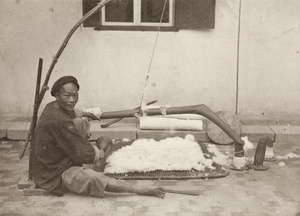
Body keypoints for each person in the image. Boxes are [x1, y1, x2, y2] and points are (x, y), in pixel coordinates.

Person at [33, 75, 165, 199]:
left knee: (80, 122)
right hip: (54, 174)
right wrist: (100, 152)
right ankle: (140, 190)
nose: (72, 100)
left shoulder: (52, 107)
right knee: (90, 178)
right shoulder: (58, 121)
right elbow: (87, 155)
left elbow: (72, 113)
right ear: (57, 95)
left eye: (75, 95)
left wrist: (87, 114)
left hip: (57, 158)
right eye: (67, 96)